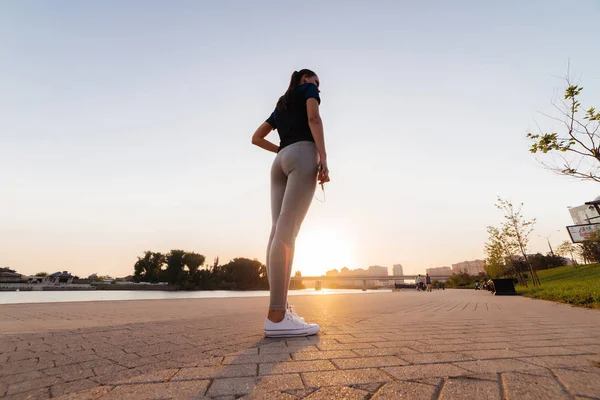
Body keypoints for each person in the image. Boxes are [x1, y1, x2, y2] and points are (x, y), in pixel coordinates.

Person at [251, 69, 329, 338]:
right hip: (302, 154)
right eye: (316, 82)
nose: (318, 88)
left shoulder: (281, 103)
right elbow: (313, 118)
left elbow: (256, 137)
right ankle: (277, 316)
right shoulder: (307, 90)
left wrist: (282, 150)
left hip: (279, 163)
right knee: (288, 233)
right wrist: (324, 158)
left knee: (277, 231)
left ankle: (280, 308)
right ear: (305, 80)